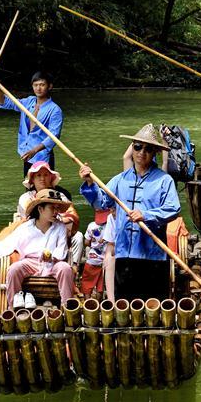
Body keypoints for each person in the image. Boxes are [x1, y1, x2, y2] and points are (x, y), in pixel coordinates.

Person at [79, 124, 181, 301]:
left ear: (155, 152)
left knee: (154, 309)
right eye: (138, 147)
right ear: (132, 148)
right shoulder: (120, 180)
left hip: (153, 256)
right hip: (125, 253)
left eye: (148, 149)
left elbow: (173, 208)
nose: (142, 152)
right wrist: (90, 184)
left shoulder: (164, 180)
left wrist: (146, 215)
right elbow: (101, 203)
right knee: (123, 308)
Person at [0, 189, 75, 309]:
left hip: (53, 263)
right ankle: (13, 308)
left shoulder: (60, 227)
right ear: (40, 209)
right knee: (14, 269)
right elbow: (7, 244)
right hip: (30, 263)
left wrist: (51, 256)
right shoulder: (25, 228)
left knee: (65, 268)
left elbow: (62, 250)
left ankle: (68, 308)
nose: (56, 212)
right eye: (52, 208)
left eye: (57, 208)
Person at [0, 71, 63, 175]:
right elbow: (4, 102)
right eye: (36, 85)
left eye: (42, 85)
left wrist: (34, 151)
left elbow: (54, 136)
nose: (38, 88)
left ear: (50, 86)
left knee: (44, 188)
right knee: (29, 187)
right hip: (26, 153)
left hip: (42, 156)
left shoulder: (54, 110)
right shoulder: (29, 102)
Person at [81, 209, 110, 299]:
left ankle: (87, 301)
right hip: (105, 259)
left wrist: (92, 243)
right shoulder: (110, 226)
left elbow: (86, 242)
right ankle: (98, 303)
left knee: (87, 281)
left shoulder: (91, 225)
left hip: (93, 259)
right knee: (100, 284)